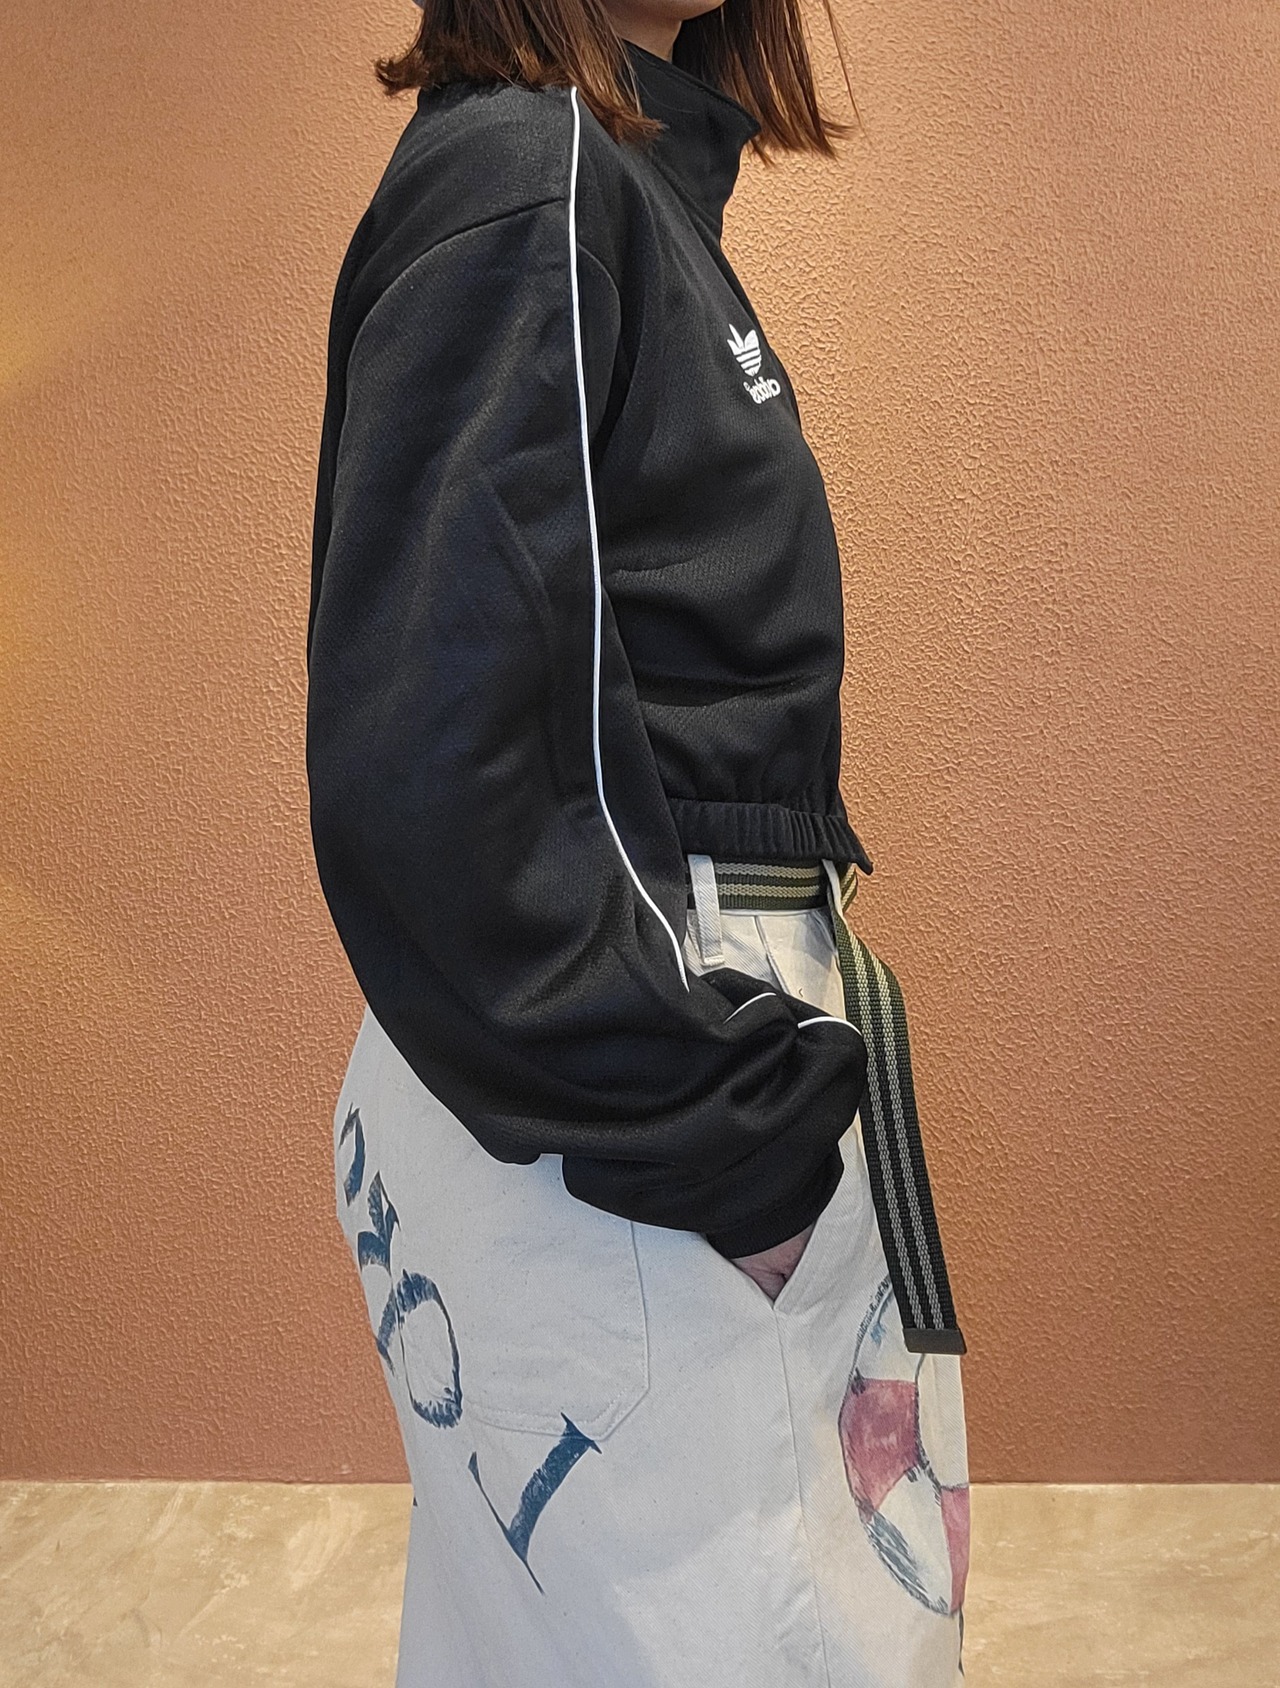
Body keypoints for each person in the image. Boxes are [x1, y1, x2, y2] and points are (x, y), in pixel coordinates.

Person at [305, 0, 971, 1681]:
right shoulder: (528, 172)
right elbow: (436, 776)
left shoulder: (607, 180)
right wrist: (732, 1152)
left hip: (615, 1097)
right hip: (639, 1116)